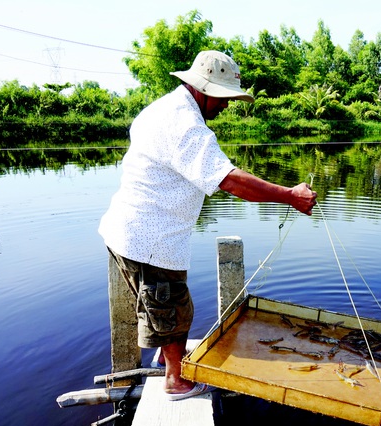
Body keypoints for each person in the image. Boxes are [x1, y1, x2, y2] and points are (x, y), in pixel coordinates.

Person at [98, 50, 318, 401]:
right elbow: (231, 182)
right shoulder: (186, 125)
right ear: (202, 89)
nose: (227, 105)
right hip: (151, 238)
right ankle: (176, 380)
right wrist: (290, 195)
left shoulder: (161, 109)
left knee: (159, 302)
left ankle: (172, 357)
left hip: (131, 229)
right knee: (171, 306)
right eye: (223, 97)